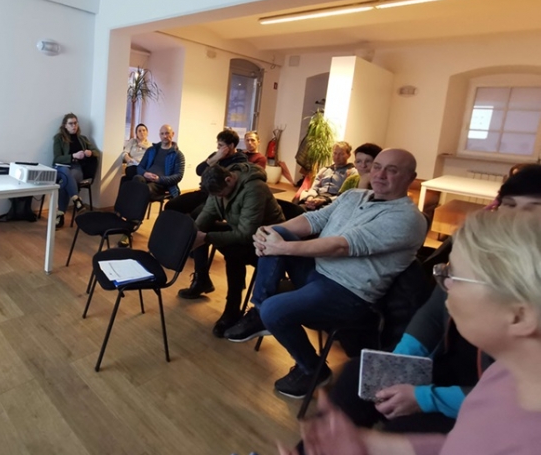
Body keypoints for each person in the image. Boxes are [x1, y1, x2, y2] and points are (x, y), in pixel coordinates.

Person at [279, 208, 541, 455]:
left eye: (457, 276)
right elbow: (461, 446)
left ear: (520, 316)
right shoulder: (504, 374)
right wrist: (370, 446)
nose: (445, 285)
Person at [224, 149, 427, 399]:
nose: (380, 174)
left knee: (274, 310)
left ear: (411, 178)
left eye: (392, 170)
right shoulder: (354, 196)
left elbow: (343, 245)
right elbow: (314, 220)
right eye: (377, 167)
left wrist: (282, 248)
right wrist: (268, 232)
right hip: (317, 271)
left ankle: (313, 370)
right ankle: (258, 311)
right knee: (278, 234)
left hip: (348, 293)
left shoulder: (408, 219)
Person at [178, 164, 285, 336]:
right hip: (245, 233)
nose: (218, 197)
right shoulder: (220, 184)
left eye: (220, 194)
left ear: (229, 180)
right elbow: (208, 214)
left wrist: (205, 238)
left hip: (268, 243)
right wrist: (191, 237)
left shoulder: (255, 189)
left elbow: (246, 234)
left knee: (233, 253)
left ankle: (233, 309)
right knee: (203, 232)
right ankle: (202, 279)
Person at [165, 128, 248, 216]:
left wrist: (215, 160)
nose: (217, 147)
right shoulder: (215, 155)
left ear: (231, 146)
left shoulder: (240, 159)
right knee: (171, 205)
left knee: (195, 215)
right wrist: (216, 158)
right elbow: (199, 171)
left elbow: (223, 180)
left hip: (219, 197)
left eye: (220, 145)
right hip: (204, 192)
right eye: (217, 144)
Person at [52, 113, 100, 229]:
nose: (74, 126)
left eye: (75, 123)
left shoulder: (83, 139)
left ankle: (60, 215)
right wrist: (73, 155)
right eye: (71, 123)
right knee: (65, 173)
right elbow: (57, 158)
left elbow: (96, 152)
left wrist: (90, 153)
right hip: (61, 167)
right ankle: (76, 199)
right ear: (65, 125)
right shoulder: (59, 138)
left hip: (76, 168)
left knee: (64, 182)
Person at [298, 141, 357, 210]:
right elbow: (314, 188)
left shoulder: (352, 172)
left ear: (349, 155)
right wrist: (310, 198)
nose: (337, 157)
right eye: (335, 153)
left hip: (334, 202)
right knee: (298, 209)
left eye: (341, 154)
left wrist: (325, 200)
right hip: (317, 197)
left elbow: (347, 195)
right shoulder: (324, 170)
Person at [134, 124, 185, 200]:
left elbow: (178, 176)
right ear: (159, 135)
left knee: (145, 189)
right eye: (162, 134)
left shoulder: (178, 155)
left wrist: (159, 179)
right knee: (136, 179)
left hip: (162, 184)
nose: (165, 136)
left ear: (172, 134)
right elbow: (140, 167)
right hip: (146, 179)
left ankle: (135, 206)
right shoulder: (151, 150)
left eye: (167, 133)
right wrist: (145, 173)